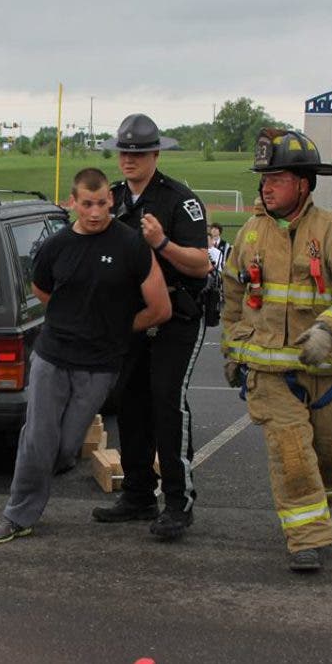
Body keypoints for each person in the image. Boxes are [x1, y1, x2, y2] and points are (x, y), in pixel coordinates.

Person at [221, 128, 332, 571]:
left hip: (331, 373)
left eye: (277, 177)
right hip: (271, 377)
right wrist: (232, 351)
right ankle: (305, 539)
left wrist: (329, 328)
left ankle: (317, 512)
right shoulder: (250, 235)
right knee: (292, 453)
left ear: (303, 184)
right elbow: (232, 297)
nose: (265, 186)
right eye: (264, 178)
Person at [0, 168, 171, 543]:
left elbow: (160, 308)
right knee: (38, 437)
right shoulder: (55, 246)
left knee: (66, 447)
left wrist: (115, 329)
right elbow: (42, 289)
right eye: (87, 204)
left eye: (102, 203)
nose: (96, 211)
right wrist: (76, 319)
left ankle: (37, 477)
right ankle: (17, 516)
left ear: (111, 201)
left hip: (99, 365)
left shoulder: (131, 246)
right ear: (73, 203)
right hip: (53, 356)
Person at [91, 113, 213, 541]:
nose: (129, 159)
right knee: (130, 402)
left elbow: (202, 263)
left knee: (166, 402)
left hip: (177, 317)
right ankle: (139, 494)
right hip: (134, 318)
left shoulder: (180, 200)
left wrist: (162, 242)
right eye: (124, 151)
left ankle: (179, 503)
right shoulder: (114, 196)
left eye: (138, 153)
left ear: (155, 154)